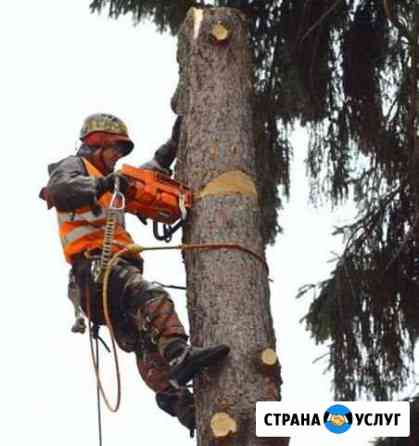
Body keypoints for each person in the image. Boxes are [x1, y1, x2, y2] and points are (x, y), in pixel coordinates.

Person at [40, 113, 230, 435]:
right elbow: (59, 189)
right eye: (115, 149)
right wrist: (102, 183)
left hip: (105, 279)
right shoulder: (74, 170)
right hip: (96, 268)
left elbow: (146, 177)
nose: (118, 157)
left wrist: (172, 146)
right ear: (95, 143)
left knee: (145, 341)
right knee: (151, 296)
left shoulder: (112, 181)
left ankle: (178, 401)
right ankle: (179, 354)